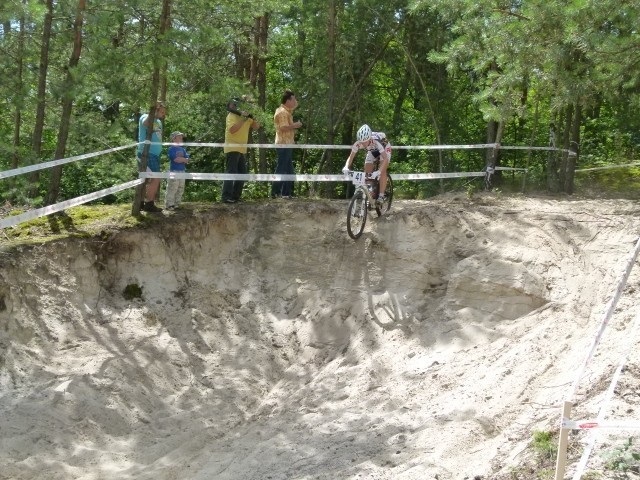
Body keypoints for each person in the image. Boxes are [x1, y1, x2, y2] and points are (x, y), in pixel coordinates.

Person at [221, 97, 260, 203]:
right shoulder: (231, 115)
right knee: (231, 172)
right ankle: (226, 197)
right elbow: (232, 130)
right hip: (232, 147)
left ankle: (235, 196)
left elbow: (257, 126)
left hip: (242, 148)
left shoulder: (247, 117)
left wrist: (254, 114)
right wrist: (243, 118)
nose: (233, 106)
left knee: (242, 173)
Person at [342, 124, 392, 205]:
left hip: (384, 148)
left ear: (369, 138)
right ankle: (371, 193)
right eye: (362, 141)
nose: (363, 143)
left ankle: (381, 196)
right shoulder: (358, 143)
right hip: (372, 150)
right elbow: (350, 157)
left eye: (365, 141)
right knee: (367, 171)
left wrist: (379, 171)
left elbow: (385, 158)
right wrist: (346, 166)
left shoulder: (376, 141)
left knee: (382, 170)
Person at [271, 89, 302, 198]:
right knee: (281, 168)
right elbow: (283, 127)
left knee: (289, 170)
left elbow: (295, 105)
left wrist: (291, 94)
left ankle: (286, 193)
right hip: (283, 144)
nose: (295, 102)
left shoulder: (286, 111)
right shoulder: (282, 112)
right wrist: (295, 125)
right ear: (287, 101)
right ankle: (275, 192)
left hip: (288, 144)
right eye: (293, 99)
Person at [137, 101, 166, 212]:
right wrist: (153, 111)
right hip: (146, 153)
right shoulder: (145, 117)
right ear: (156, 110)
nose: (164, 114)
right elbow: (145, 123)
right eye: (162, 111)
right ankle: (148, 203)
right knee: (155, 177)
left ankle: (143, 203)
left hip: (155, 154)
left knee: (148, 178)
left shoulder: (158, 122)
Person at [166, 131, 190, 210]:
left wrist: (183, 159)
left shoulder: (183, 149)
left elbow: (187, 160)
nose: (181, 139)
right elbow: (176, 159)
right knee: (173, 187)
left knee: (180, 187)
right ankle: (169, 204)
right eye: (179, 137)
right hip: (174, 171)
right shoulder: (171, 149)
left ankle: (177, 204)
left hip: (182, 171)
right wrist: (183, 159)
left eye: (182, 137)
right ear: (174, 139)